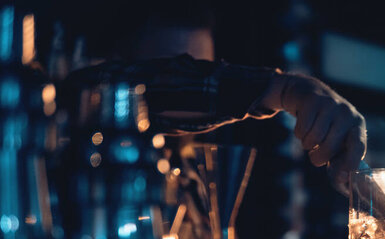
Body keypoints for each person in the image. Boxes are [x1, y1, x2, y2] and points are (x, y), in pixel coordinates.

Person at [65, 56, 367, 195]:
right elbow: (94, 86)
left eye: (200, 65)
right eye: (181, 69)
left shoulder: (198, 191)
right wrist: (283, 90)